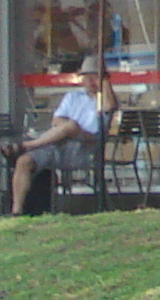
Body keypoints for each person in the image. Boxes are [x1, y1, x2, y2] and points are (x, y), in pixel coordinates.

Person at [9, 57, 114, 217]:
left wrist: (105, 82)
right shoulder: (72, 97)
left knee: (71, 126)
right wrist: (68, 129)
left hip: (85, 148)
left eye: (95, 76)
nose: (90, 81)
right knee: (24, 162)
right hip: (57, 144)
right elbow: (56, 120)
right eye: (87, 77)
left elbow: (110, 107)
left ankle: (28, 145)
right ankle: (16, 211)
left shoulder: (104, 100)